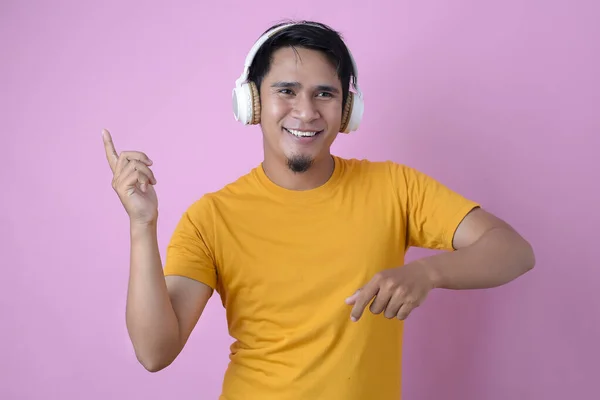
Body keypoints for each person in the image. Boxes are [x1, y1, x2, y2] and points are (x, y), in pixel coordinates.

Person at [102, 20, 535, 400]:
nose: (306, 111)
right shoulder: (210, 217)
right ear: (252, 101)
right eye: (286, 91)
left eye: (324, 93)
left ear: (347, 110)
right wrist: (143, 225)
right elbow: (154, 352)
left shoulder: (395, 187)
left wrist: (428, 273)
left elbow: (514, 251)